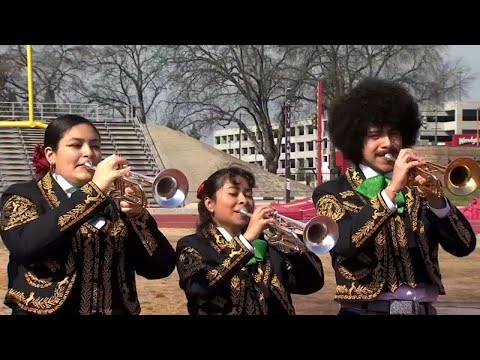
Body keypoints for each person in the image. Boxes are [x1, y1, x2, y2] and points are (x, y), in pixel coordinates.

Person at [312, 78, 476, 315]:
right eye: (375, 135)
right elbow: (344, 243)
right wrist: (391, 192)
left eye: (394, 134)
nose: (387, 143)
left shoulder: (419, 188)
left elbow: (464, 245)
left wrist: (438, 202)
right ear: (356, 140)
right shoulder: (331, 192)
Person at [0, 114, 176, 315]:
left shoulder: (115, 204)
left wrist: (137, 217)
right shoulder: (23, 195)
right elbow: (26, 246)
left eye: (95, 146)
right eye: (76, 145)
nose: (89, 153)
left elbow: (160, 267)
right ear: (51, 155)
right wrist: (93, 191)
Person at [176, 166, 325, 315]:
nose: (243, 200)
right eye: (233, 193)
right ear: (210, 204)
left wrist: (293, 246)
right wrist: (246, 241)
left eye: (248, 194)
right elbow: (199, 288)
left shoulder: (270, 243)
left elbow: (312, 283)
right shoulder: (191, 246)